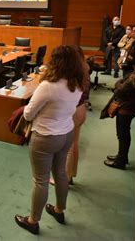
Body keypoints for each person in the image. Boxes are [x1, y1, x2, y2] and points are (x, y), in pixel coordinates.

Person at [14, 46, 84, 235]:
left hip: (45, 137)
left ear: (55, 62)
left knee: (41, 180)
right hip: (66, 133)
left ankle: (32, 221)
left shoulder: (48, 86)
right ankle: (59, 210)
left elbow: (28, 114)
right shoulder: (77, 83)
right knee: (60, 173)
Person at [50, 46, 91, 186]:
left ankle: (65, 178)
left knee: (68, 147)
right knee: (74, 144)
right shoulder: (84, 69)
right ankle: (71, 174)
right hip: (81, 109)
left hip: (74, 111)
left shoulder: (75, 73)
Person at [104, 57, 135, 170]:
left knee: (122, 134)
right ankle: (122, 156)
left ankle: (120, 161)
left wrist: (117, 84)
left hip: (125, 107)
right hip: (133, 106)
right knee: (125, 133)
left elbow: (119, 91)